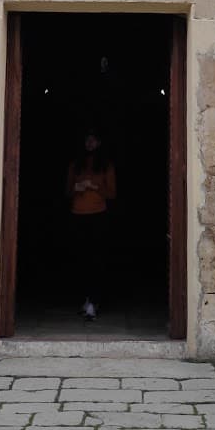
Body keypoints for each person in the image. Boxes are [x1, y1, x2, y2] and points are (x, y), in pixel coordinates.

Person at [66, 131, 117, 320]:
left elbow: (112, 193)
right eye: (87, 139)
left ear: (99, 142)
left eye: (93, 139)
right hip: (77, 214)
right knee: (80, 259)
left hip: (98, 216)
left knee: (97, 259)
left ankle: (94, 302)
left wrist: (94, 186)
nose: (90, 143)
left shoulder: (106, 166)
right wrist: (76, 188)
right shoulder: (75, 165)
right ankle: (84, 300)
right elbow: (67, 191)